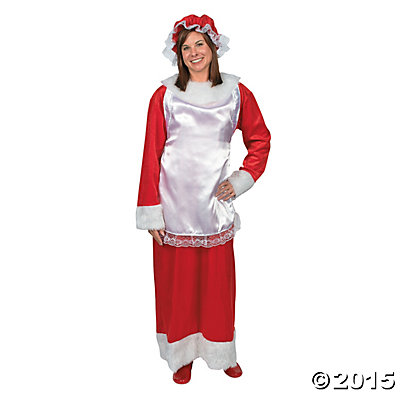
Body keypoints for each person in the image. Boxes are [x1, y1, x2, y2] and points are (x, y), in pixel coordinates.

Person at [136, 14, 271, 384]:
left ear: (213, 47)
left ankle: (220, 349)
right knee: (177, 288)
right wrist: (151, 211)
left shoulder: (237, 94)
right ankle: (181, 355)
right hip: (172, 210)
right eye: (186, 47)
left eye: (200, 44)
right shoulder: (164, 97)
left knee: (217, 288)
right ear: (178, 55)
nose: (193, 52)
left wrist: (241, 179)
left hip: (214, 209)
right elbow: (151, 155)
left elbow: (260, 139)